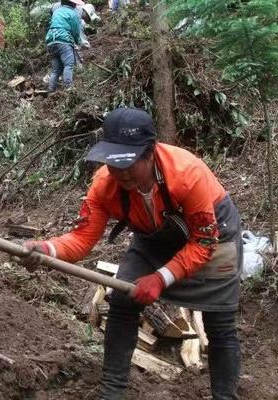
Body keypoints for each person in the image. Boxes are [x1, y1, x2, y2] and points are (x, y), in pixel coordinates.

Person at [18, 107, 242, 399]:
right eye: (113, 163)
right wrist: (45, 250)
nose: (120, 173)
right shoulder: (104, 185)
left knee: (220, 321)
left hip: (211, 236)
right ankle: (112, 391)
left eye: (128, 163)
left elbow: (203, 242)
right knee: (123, 301)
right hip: (153, 239)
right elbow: (83, 237)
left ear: (150, 153)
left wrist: (160, 279)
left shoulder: (188, 174)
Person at [45, 0, 83, 92]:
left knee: (56, 70)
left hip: (50, 41)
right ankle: (68, 88)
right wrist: (78, 42)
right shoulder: (73, 14)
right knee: (68, 65)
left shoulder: (56, 11)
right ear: (73, 4)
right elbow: (76, 31)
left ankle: (51, 90)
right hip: (63, 40)